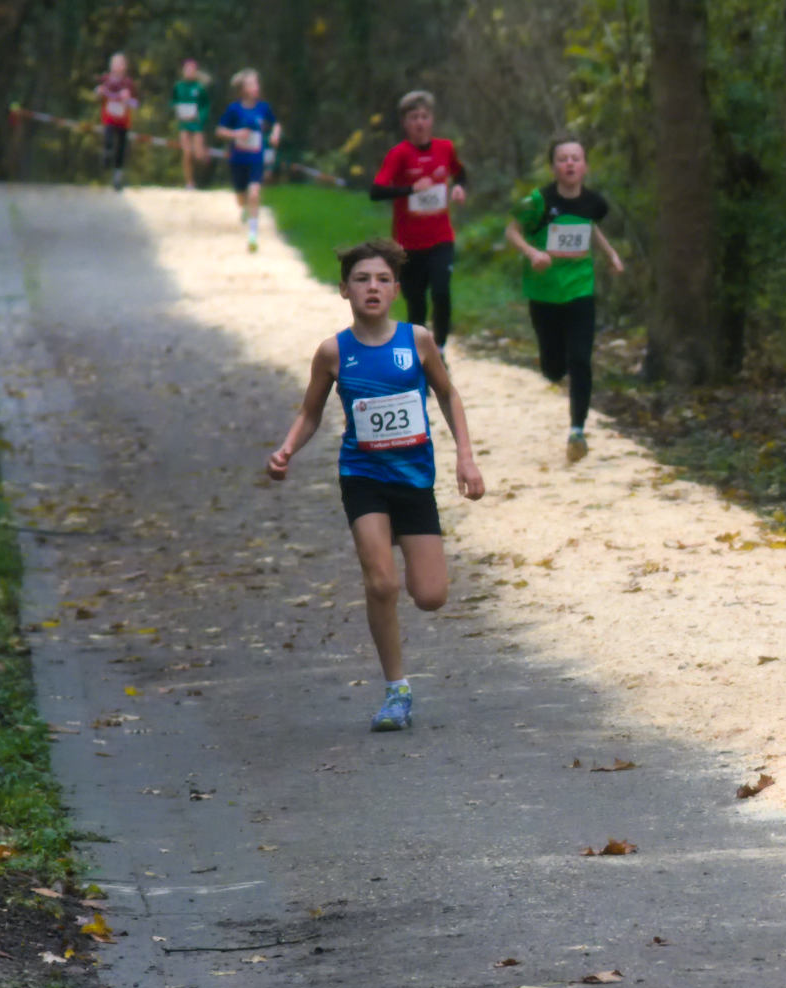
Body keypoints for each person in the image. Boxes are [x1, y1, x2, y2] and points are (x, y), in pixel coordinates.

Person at [265, 239, 485, 732]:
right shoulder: (332, 352)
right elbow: (311, 412)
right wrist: (286, 449)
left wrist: (465, 458)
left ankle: (410, 573)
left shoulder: (418, 341)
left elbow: (449, 397)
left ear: (397, 290)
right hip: (363, 477)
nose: (372, 287)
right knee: (381, 582)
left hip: (414, 481)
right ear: (343, 290)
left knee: (430, 596)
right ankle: (396, 690)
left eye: (382, 280)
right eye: (362, 279)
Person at [503, 133, 624, 463]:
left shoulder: (594, 202)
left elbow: (590, 228)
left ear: (584, 166)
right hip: (544, 293)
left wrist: (611, 255)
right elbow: (511, 230)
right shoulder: (537, 201)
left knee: (581, 360)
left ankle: (577, 431)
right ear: (554, 166)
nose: (570, 163)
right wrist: (532, 253)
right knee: (553, 368)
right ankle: (552, 369)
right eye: (562, 158)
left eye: (576, 158)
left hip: (580, 289)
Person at [371, 90, 466, 350]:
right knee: (416, 304)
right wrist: (411, 189)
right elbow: (376, 191)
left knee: (442, 292)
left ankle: (441, 349)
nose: (420, 123)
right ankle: (419, 354)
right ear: (405, 122)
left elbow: (460, 173)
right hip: (408, 243)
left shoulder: (445, 148)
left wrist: (459, 187)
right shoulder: (399, 154)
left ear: (432, 120)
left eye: (424, 116)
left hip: (441, 238)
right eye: (414, 117)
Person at [216, 69, 280, 252]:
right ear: (243, 89)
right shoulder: (234, 109)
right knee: (241, 198)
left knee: (254, 193)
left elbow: (275, 123)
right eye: (251, 84)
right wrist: (236, 133)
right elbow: (220, 131)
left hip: (256, 159)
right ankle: (244, 208)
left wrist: (275, 134)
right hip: (237, 159)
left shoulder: (263, 108)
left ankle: (252, 234)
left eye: (257, 83)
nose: (256, 87)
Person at [94, 52, 138, 191]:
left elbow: (136, 103)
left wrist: (128, 99)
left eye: (120, 63)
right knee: (108, 139)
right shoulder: (105, 80)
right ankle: (106, 155)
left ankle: (117, 177)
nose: (117, 66)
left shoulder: (128, 83)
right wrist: (98, 91)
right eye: (115, 63)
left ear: (125, 66)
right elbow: (96, 94)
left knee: (121, 148)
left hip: (123, 121)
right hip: (109, 118)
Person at [171, 59, 212, 190]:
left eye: (192, 69)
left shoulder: (199, 88)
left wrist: (201, 116)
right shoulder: (178, 86)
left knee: (199, 154)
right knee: (187, 153)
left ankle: (206, 158)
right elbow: (173, 101)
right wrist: (176, 110)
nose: (189, 72)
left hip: (197, 123)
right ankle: (189, 182)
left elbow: (206, 105)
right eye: (187, 69)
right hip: (184, 123)